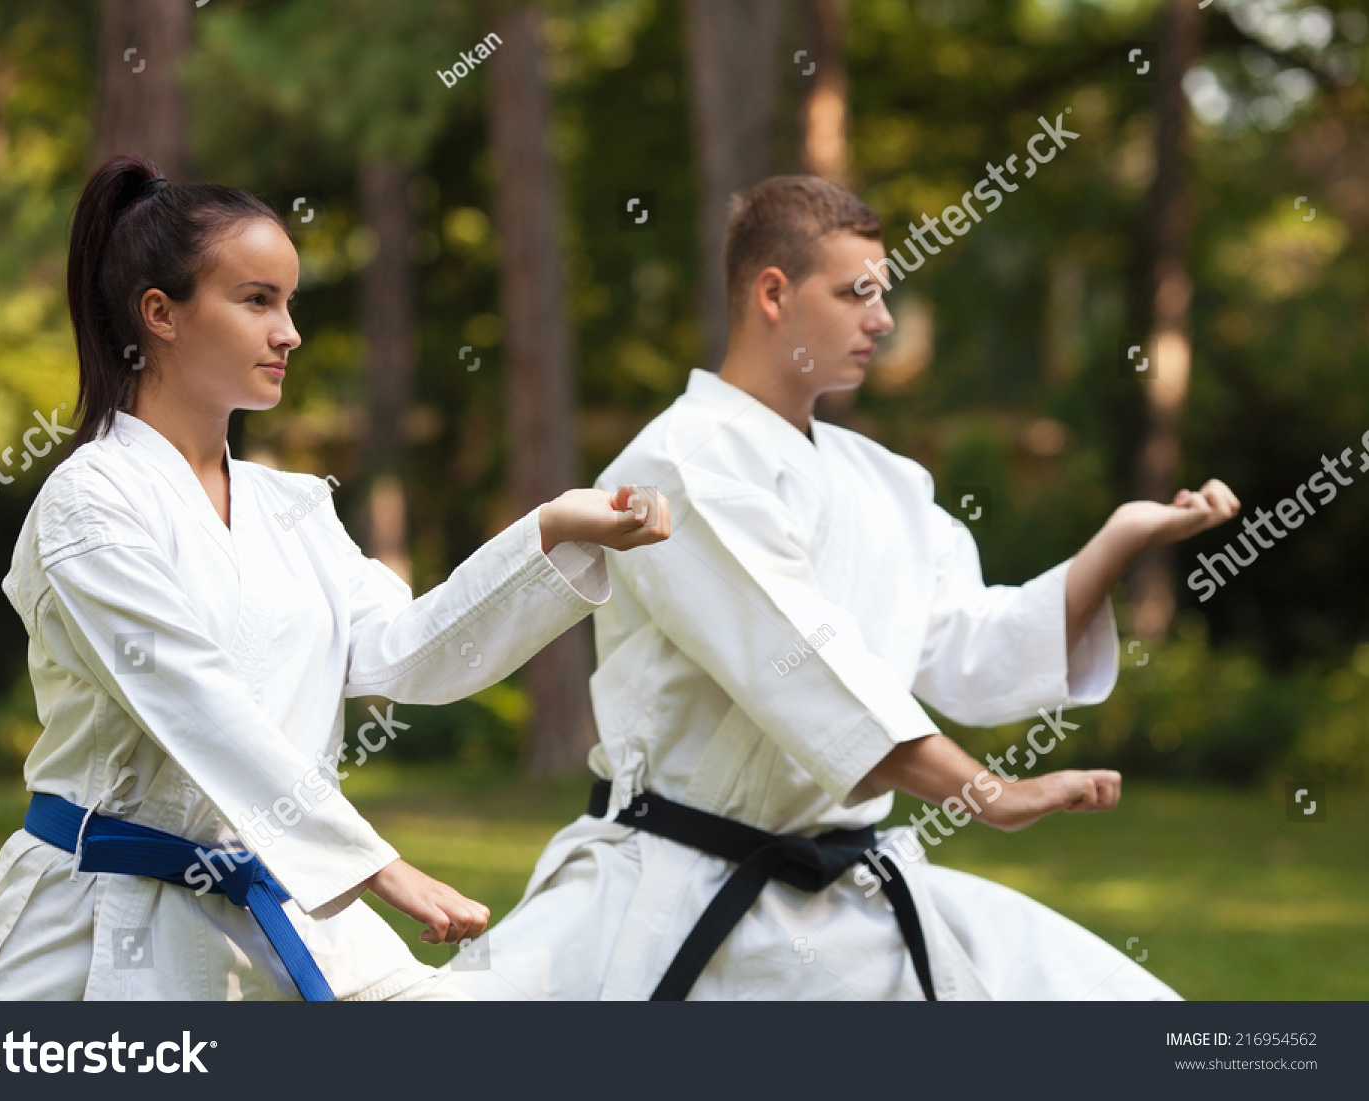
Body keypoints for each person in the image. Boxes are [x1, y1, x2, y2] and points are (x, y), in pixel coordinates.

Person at [441, 175, 1240, 1001]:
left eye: (883, 294)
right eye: (857, 292)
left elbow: (973, 646)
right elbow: (803, 668)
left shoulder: (885, 482)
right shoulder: (677, 464)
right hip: (675, 897)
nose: (883, 320)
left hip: (851, 899)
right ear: (774, 293)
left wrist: (1117, 541)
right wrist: (987, 793)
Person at [0, 155, 670, 1002]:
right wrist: (378, 866)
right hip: (99, 934)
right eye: (257, 300)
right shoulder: (90, 501)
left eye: (289, 302)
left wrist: (549, 531)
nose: (289, 331)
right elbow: (192, 698)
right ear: (160, 314)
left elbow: (407, 654)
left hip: (283, 912)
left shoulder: (290, 506)